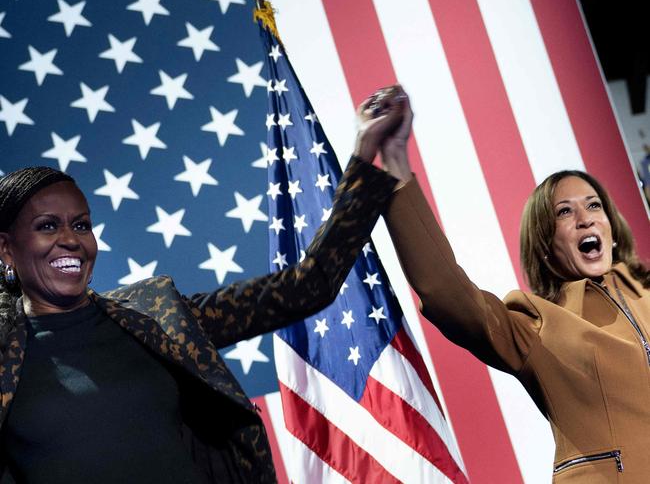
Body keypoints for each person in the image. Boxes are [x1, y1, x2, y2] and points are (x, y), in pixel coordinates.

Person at [0, 89, 403, 483]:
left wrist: (365, 153)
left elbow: (306, 285)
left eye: (81, 225)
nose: (71, 239)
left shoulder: (155, 316)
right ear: (6, 250)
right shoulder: (5, 354)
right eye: (47, 226)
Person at [365, 87, 650, 482]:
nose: (585, 218)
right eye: (565, 212)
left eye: (594, 205)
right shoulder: (535, 323)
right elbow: (445, 290)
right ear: (545, 244)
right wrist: (395, 159)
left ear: (611, 229)